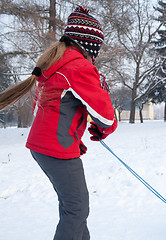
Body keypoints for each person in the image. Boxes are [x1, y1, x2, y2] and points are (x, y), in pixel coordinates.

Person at [0, 6, 117, 240]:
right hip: (56, 149)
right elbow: (106, 117)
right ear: (89, 44)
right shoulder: (79, 66)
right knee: (77, 209)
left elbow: (48, 108)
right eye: (98, 47)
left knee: (73, 208)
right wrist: (103, 126)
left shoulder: (56, 61)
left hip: (45, 146)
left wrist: (72, 135)